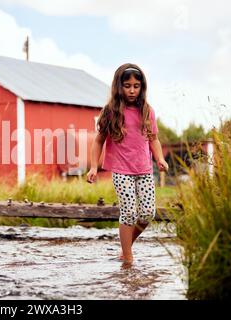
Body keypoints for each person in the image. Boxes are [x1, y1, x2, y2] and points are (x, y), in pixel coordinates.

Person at [87, 63, 169, 265]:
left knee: (148, 213)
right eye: (127, 85)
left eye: (136, 86)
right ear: (119, 86)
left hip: (144, 170)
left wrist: (159, 158)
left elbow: (153, 139)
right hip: (122, 171)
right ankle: (128, 260)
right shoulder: (111, 111)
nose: (132, 90)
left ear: (142, 87)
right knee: (129, 213)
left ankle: (126, 247)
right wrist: (93, 167)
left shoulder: (147, 111)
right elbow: (99, 141)